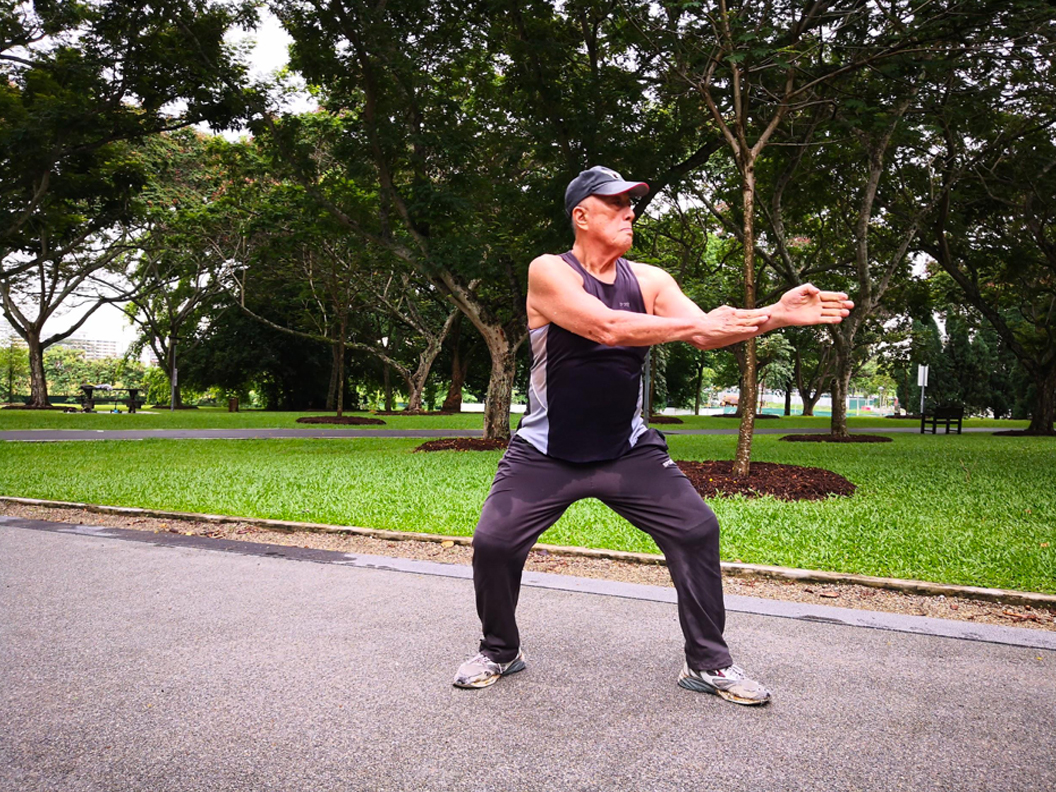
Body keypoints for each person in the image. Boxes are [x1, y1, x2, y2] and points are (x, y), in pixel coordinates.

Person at [453, 166, 853, 705]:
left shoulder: (651, 281)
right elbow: (606, 327)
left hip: (627, 449)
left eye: (632, 204)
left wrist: (774, 316)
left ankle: (710, 665)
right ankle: (500, 650)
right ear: (582, 215)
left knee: (696, 529)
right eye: (616, 204)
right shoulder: (549, 271)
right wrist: (698, 326)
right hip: (545, 451)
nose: (629, 212)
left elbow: (707, 333)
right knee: (494, 544)